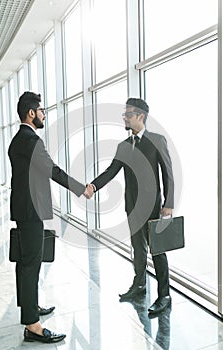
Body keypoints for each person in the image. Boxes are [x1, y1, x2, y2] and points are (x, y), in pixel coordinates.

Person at [8, 91, 93, 343]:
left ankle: (30, 308)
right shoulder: (30, 140)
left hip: (25, 208)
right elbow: (52, 170)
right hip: (30, 210)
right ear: (31, 113)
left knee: (27, 261)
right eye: (42, 110)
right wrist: (82, 188)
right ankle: (33, 326)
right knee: (31, 262)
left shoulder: (18, 139)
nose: (44, 114)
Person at [88, 98, 174, 315]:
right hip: (132, 207)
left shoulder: (157, 140)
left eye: (128, 114)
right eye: (124, 114)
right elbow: (111, 171)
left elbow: (168, 174)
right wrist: (92, 187)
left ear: (140, 117)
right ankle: (140, 285)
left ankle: (164, 295)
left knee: (158, 251)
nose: (124, 118)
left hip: (154, 208)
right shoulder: (124, 146)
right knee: (137, 249)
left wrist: (169, 204)